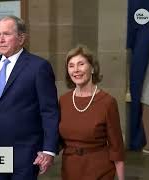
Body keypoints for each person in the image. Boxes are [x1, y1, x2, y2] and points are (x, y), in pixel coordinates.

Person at [0, 15, 60, 180]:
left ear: (21, 38)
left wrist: (49, 150)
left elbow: (49, 111)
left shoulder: (38, 67)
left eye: (6, 34)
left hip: (26, 153)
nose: (1, 39)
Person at [59, 45, 125, 180]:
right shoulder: (63, 101)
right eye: (71, 66)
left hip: (99, 170)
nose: (76, 70)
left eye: (81, 64)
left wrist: (121, 178)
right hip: (70, 169)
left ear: (93, 68)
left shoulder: (107, 102)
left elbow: (116, 147)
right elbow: (56, 140)